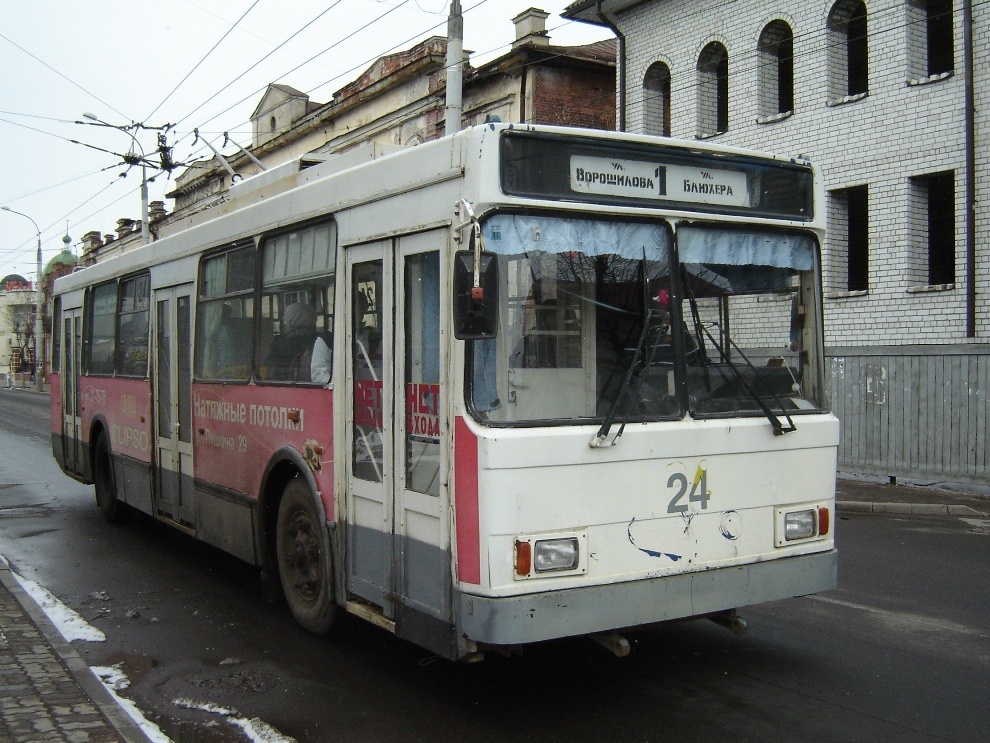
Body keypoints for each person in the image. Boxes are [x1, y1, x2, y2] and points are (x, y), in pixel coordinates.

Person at [267, 303, 331, 384]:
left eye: (287, 320)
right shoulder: (323, 337)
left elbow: (270, 368)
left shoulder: (281, 343)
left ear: (292, 321)